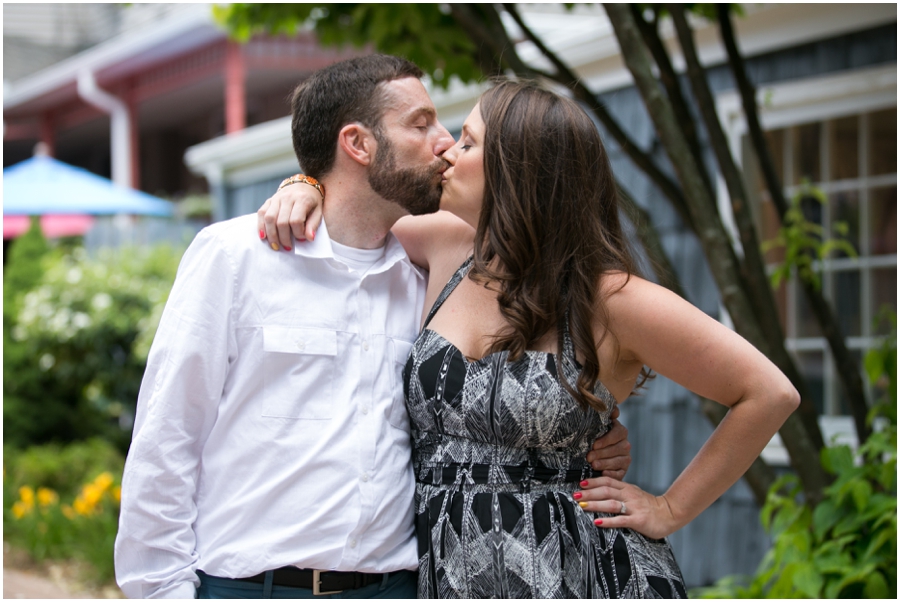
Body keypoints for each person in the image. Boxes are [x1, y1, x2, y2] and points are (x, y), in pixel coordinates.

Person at [115, 56, 630, 600]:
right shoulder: (237, 256)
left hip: (399, 587)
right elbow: (166, 440)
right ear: (358, 144)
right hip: (254, 587)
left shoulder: (431, 278)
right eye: (420, 123)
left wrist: (591, 440)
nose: (446, 144)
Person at [261, 78, 800, 598]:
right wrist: (303, 185)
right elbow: (353, 212)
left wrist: (671, 508)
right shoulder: (446, 245)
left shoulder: (609, 298)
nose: (447, 148)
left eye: (469, 141)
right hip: (446, 570)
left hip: (581, 570)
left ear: (520, 170)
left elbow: (768, 392)